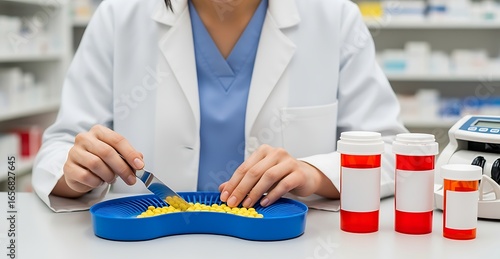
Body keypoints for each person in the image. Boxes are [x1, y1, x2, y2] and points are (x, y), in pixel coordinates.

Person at [32, 0, 408, 212]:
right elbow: (60, 147)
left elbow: (395, 151)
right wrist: (74, 173)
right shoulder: (120, 16)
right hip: (143, 252)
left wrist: (313, 173)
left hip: (288, 252)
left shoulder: (334, 18)